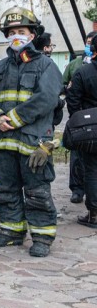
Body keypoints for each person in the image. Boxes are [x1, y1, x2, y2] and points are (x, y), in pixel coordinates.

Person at [0, 6, 62, 258]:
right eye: (12, 31)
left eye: (22, 31)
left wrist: (13, 119)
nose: (16, 35)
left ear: (32, 34)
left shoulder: (46, 66)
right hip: (3, 141)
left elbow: (46, 99)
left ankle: (42, 237)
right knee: (5, 190)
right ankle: (11, 232)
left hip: (33, 143)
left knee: (37, 192)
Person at [66, 35, 97, 228]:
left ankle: (94, 214)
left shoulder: (83, 72)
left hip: (91, 130)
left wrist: (81, 120)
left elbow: (73, 101)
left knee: (92, 171)